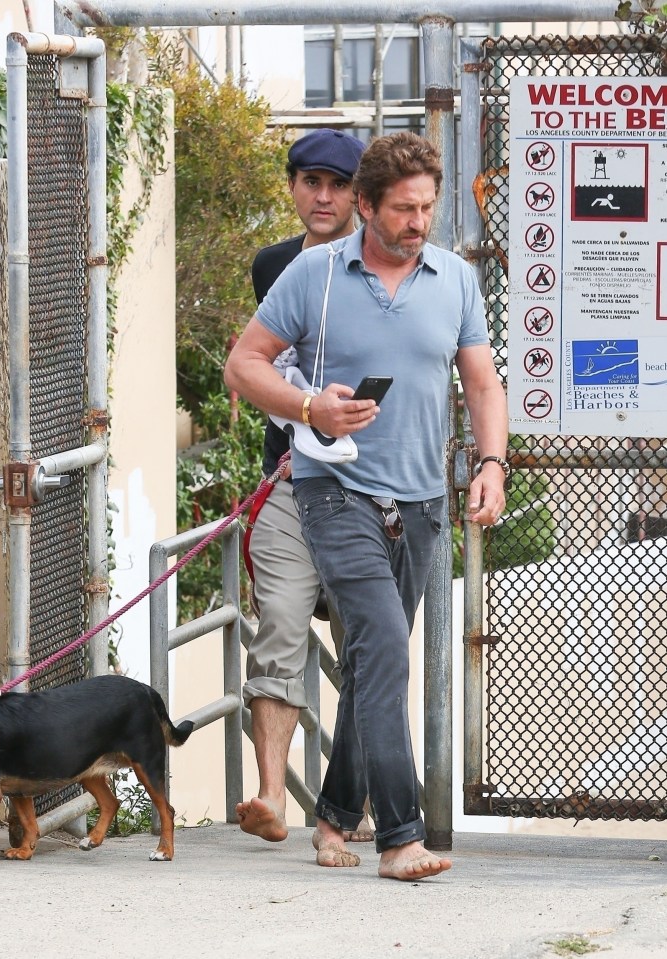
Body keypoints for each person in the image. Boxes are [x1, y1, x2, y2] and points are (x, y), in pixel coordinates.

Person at [225, 131, 509, 880]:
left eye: (426, 207)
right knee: (382, 643)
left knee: (371, 660)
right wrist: (308, 407)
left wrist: (490, 464)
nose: (417, 222)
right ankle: (401, 836)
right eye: (402, 209)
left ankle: (330, 813)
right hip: (334, 489)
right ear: (365, 206)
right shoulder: (311, 276)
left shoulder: (453, 278)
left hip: (421, 501)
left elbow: (481, 383)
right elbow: (243, 364)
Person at [236, 128, 372, 845]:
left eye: (338, 184)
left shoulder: (389, 268)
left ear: (361, 194)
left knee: (366, 644)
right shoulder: (273, 265)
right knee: (281, 625)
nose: (322, 197)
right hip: (290, 479)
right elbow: (259, 365)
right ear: (292, 186)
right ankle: (268, 796)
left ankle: (356, 801)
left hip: (371, 486)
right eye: (309, 181)